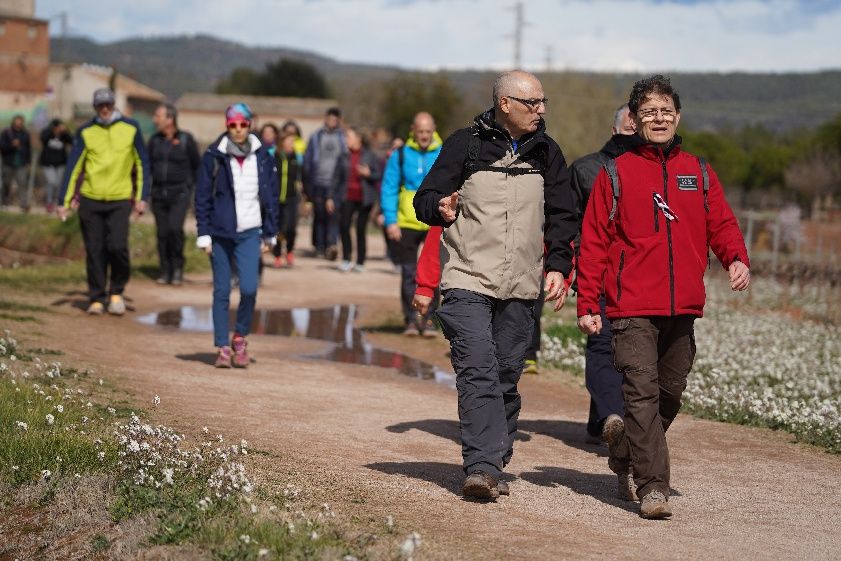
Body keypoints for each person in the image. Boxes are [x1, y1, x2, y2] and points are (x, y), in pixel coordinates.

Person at [576, 75, 751, 519]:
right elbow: (594, 241)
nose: (658, 118)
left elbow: (723, 224)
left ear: (678, 116)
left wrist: (735, 256)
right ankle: (652, 485)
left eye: (665, 110)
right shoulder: (615, 174)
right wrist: (587, 304)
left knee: (670, 391)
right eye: (648, 111)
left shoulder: (699, 171)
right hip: (631, 306)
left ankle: (623, 455)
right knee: (641, 394)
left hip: (684, 305)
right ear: (633, 121)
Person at [414, 71, 578, 499]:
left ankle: (493, 454)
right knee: (478, 369)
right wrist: (441, 207)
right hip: (467, 277)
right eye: (533, 103)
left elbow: (563, 214)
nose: (541, 111)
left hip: (521, 285)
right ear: (506, 104)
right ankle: (482, 466)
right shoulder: (464, 144)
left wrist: (559, 264)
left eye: (543, 102)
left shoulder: (547, 151)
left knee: (506, 374)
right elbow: (424, 199)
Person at [569, 103, 638, 445]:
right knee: (601, 344)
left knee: (630, 349)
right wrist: (569, 266)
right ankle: (612, 413)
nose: (634, 131)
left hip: (639, 277)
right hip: (597, 273)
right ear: (615, 130)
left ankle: (601, 420)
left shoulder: (656, 172)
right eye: (629, 126)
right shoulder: (585, 170)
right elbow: (566, 222)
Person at [194, 102, 279, 368]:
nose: (239, 129)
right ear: (227, 126)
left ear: (250, 124)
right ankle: (222, 346)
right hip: (220, 233)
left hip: (251, 232)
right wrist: (203, 234)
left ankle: (240, 337)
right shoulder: (214, 155)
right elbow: (202, 197)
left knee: (249, 289)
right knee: (221, 290)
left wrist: (271, 233)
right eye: (233, 125)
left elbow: (271, 197)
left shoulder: (263, 155)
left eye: (243, 124)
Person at [58, 88, 150, 316]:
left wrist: (141, 198)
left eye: (108, 104)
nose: (105, 109)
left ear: (114, 104)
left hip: (120, 198)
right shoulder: (86, 131)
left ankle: (116, 291)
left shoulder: (131, 128)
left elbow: (142, 164)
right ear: (95, 108)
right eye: (100, 106)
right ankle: (97, 297)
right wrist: (64, 200)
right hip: (91, 199)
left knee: (117, 246)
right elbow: (74, 167)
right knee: (94, 249)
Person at [381, 112, 442, 336]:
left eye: (428, 131)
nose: (425, 136)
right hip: (406, 221)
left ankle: (428, 320)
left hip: (435, 222)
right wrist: (390, 221)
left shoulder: (444, 153)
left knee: (434, 273)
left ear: (433, 129)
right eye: (421, 131)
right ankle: (410, 319)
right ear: (413, 131)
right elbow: (389, 188)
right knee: (408, 272)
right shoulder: (400, 155)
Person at [148, 102, 201, 285]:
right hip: (158, 194)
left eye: (158, 116)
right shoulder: (154, 141)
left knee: (174, 229)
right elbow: (147, 166)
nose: (155, 120)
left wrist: (193, 191)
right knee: (162, 233)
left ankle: (177, 267)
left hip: (179, 193)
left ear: (170, 119)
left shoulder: (186, 140)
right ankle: (165, 269)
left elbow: (197, 166)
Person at [335, 127, 382, 272]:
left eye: (348, 136)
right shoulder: (343, 155)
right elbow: (336, 178)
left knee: (360, 229)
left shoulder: (370, 155)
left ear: (358, 138)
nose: (346, 140)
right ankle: (346, 259)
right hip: (347, 196)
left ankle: (360, 261)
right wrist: (331, 196)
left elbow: (378, 174)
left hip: (364, 197)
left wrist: (368, 173)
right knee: (344, 226)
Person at [303, 107, 345, 260]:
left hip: (334, 183)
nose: (333, 122)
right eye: (330, 118)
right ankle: (319, 246)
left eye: (336, 119)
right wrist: (307, 181)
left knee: (333, 215)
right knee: (319, 215)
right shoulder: (316, 136)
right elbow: (308, 159)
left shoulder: (343, 138)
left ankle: (332, 245)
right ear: (325, 118)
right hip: (317, 181)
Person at [272, 132, 302, 268]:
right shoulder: (274, 156)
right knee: (278, 228)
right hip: (277, 197)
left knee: (291, 227)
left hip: (292, 197)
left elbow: (304, 176)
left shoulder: (297, 157)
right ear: (282, 142)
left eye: (293, 142)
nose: (291, 144)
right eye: (289, 141)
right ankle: (277, 254)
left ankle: (289, 250)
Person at [39, 118, 73, 214]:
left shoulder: (64, 135)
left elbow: (72, 141)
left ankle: (58, 203)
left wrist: (65, 131)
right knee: (51, 182)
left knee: (59, 184)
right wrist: (53, 131)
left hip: (60, 163)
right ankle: (49, 202)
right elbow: (43, 139)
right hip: (48, 163)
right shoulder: (47, 132)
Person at [0, 114, 33, 211]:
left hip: (21, 163)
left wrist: (28, 160)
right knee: (6, 183)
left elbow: (28, 148)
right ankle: (4, 201)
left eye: (21, 121)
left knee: (22, 183)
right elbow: (2, 147)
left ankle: (23, 204)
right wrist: (12, 145)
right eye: (17, 121)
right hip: (8, 162)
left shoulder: (25, 134)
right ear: (14, 122)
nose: (19, 123)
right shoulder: (6, 132)